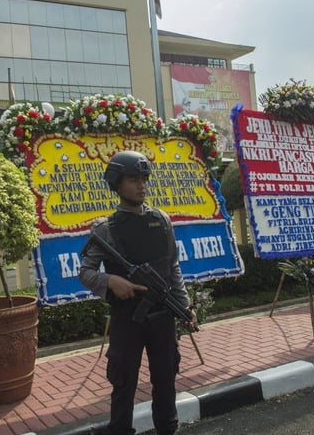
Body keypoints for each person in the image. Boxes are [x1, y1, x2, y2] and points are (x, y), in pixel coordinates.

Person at [78, 150, 197, 435]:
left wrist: (185, 306)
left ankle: (168, 429)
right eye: (133, 179)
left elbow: (173, 268)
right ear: (117, 184)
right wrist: (111, 281)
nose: (141, 185)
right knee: (124, 383)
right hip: (127, 320)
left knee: (166, 379)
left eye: (144, 179)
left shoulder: (162, 221)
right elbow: (85, 272)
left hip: (162, 318)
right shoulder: (105, 228)